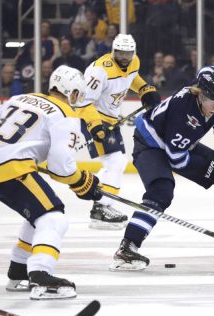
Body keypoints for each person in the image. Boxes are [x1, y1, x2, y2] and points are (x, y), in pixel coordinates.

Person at [108, 66, 214, 271]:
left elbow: (209, 71)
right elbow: (177, 160)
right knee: (161, 190)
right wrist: (212, 170)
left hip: (175, 143)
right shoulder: (185, 116)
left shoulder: (209, 96)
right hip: (149, 143)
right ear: (200, 95)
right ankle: (127, 248)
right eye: (213, 104)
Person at [0, 65, 102, 299]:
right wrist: (83, 183)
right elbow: (61, 166)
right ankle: (41, 275)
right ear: (72, 92)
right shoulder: (66, 114)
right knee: (53, 217)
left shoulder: (22, 97)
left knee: (38, 214)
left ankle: (19, 271)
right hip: (11, 169)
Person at [76, 33, 161, 230]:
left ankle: (101, 202)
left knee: (116, 161)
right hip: (94, 118)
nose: (124, 57)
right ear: (113, 51)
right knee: (115, 161)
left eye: (128, 53)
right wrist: (94, 125)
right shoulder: (99, 72)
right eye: (120, 53)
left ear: (133, 53)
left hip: (111, 120)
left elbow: (131, 78)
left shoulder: (134, 62)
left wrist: (145, 89)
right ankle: (102, 207)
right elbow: (84, 102)